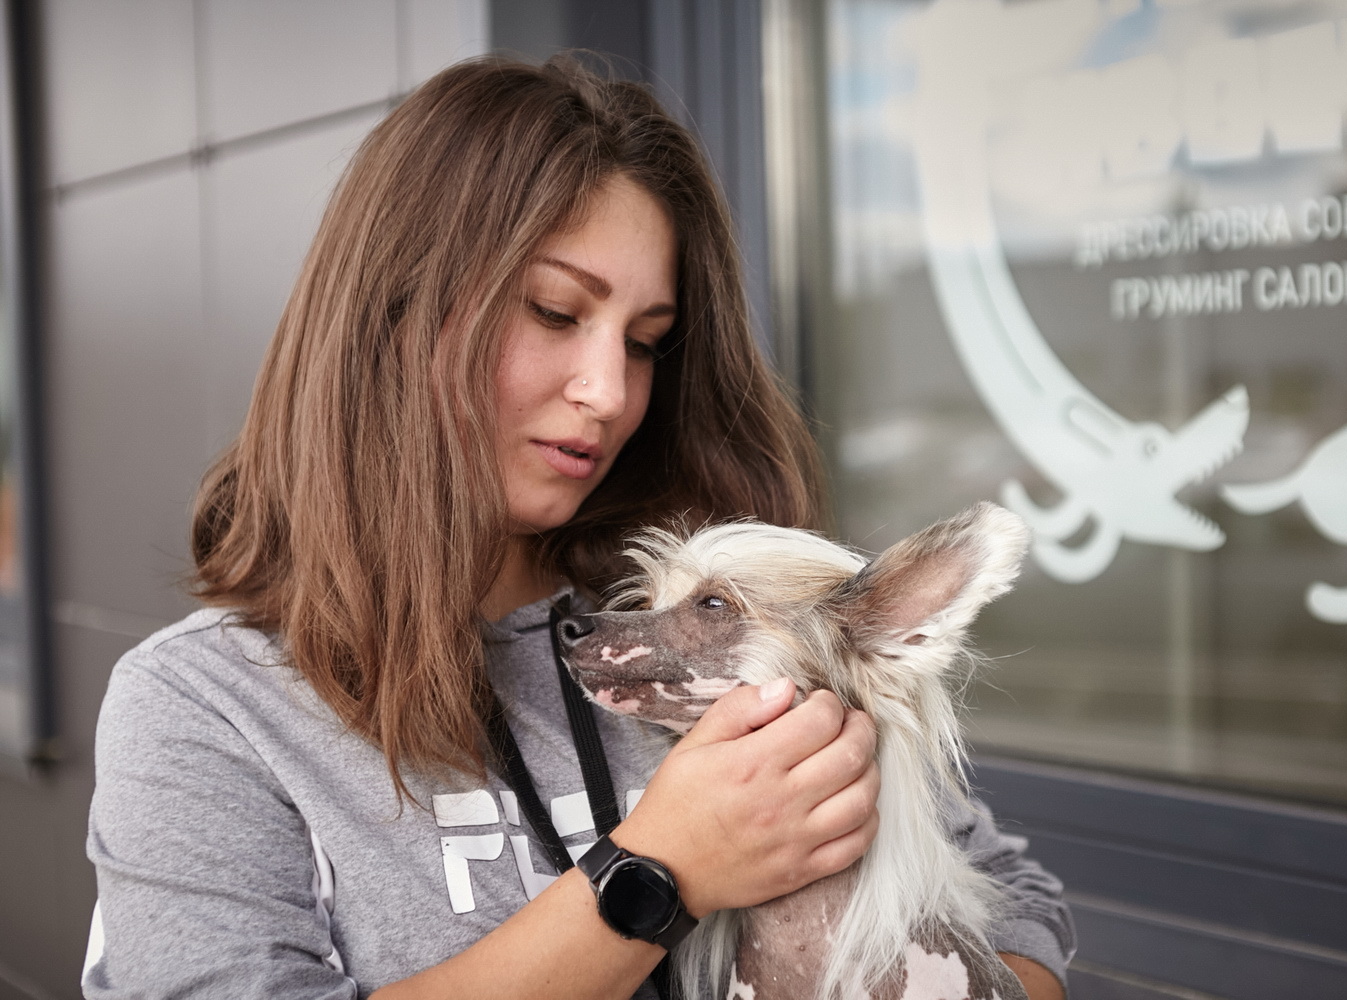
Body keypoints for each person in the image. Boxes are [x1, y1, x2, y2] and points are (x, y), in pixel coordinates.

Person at [83, 56, 1074, 999]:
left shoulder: (708, 641)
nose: (609, 392)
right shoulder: (204, 708)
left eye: (647, 342)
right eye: (556, 312)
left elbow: (1014, 909)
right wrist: (659, 869)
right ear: (393, 312)